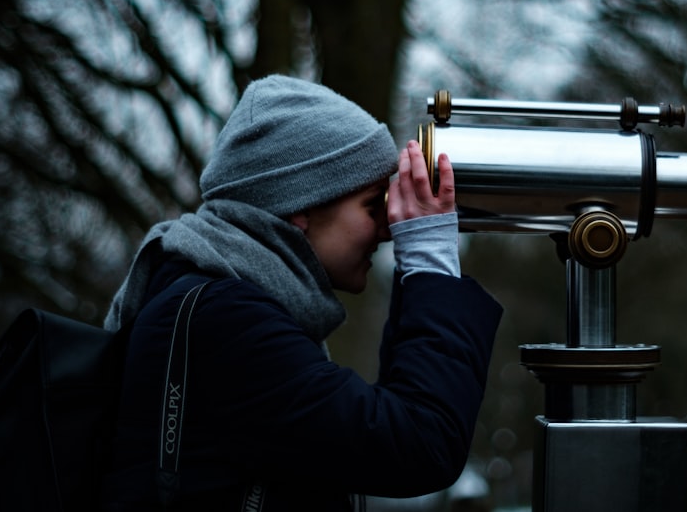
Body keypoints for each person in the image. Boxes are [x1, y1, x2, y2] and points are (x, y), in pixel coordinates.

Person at [101, 75, 503, 511]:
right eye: (373, 205)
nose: (388, 229)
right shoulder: (225, 320)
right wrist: (430, 265)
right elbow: (419, 443)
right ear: (300, 207)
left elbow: (385, 419)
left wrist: (417, 276)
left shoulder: (219, 305)